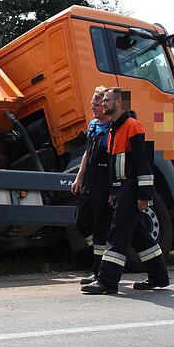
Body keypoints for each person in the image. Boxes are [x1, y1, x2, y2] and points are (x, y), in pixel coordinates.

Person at [82, 87, 171, 295]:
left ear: (120, 103)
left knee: (118, 235)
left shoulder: (134, 127)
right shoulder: (114, 129)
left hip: (131, 190)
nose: (103, 104)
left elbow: (144, 164)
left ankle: (107, 281)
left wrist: (144, 196)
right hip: (121, 190)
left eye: (107, 100)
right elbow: (115, 165)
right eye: (103, 101)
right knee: (137, 235)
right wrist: (114, 191)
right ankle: (159, 277)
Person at [71, 86, 111, 284]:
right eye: (92, 104)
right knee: (82, 222)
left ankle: (99, 273)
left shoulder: (114, 127)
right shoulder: (94, 125)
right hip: (89, 182)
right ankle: (102, 259)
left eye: (96, 104)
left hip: (104, 183)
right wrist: (79, 176)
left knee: (101, 227)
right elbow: (88, 152)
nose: (93, 107)